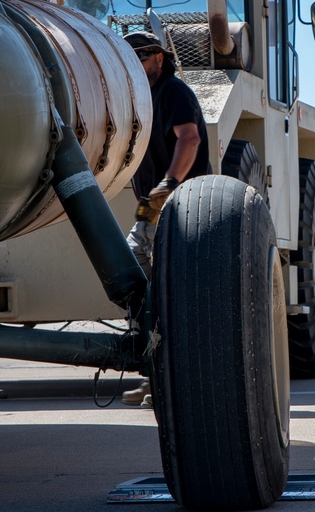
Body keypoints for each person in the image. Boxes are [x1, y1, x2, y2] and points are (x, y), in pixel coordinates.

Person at [121, 31, 211, 407]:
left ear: (160, 58)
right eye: (131, 56)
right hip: (150, 208)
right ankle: (154, 376)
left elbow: (188, 139)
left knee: (168, 297)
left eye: (143, 55)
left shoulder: (173, 90)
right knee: (134, 284)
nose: (138, 62)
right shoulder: (141, 97)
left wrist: (168, 185)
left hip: (175, 209)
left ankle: (171, 385)